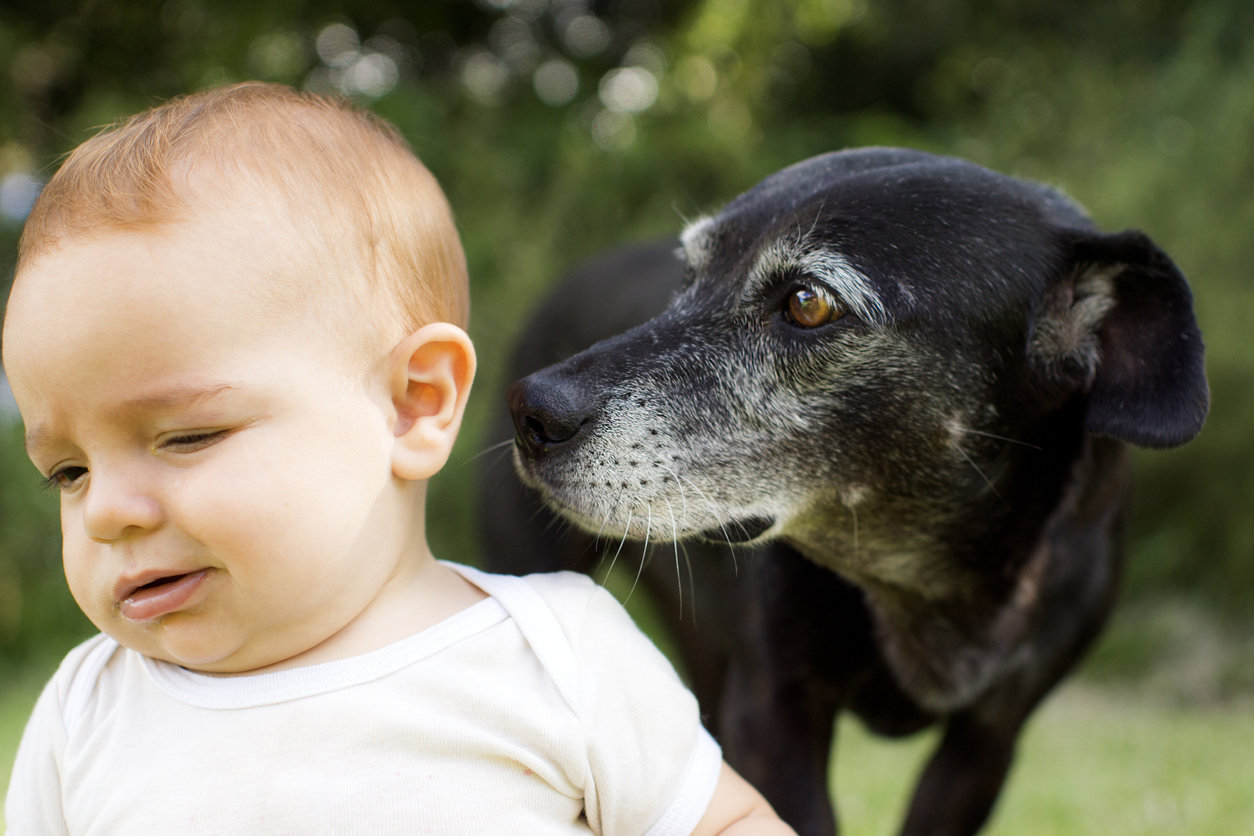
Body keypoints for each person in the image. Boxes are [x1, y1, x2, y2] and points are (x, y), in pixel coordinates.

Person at [1, 82, 795, 835]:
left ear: (414, 402)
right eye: (69, 472)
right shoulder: (86, 716)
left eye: (186, 437)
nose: (105, 511)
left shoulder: (554, 658)